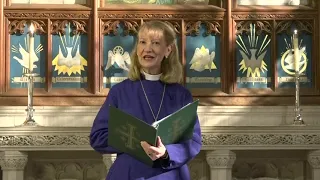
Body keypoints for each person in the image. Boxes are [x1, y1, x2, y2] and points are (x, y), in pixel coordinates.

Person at [90, 20, 202, 180]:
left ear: (168, 50)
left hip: (168, 172)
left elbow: (193, 141)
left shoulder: (180, 94)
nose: (147, 48)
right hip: (129, 173)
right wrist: (133, 140)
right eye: (142, 42)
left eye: (156, 43)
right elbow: (98, 136)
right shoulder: (120, 92)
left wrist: (166, 152)